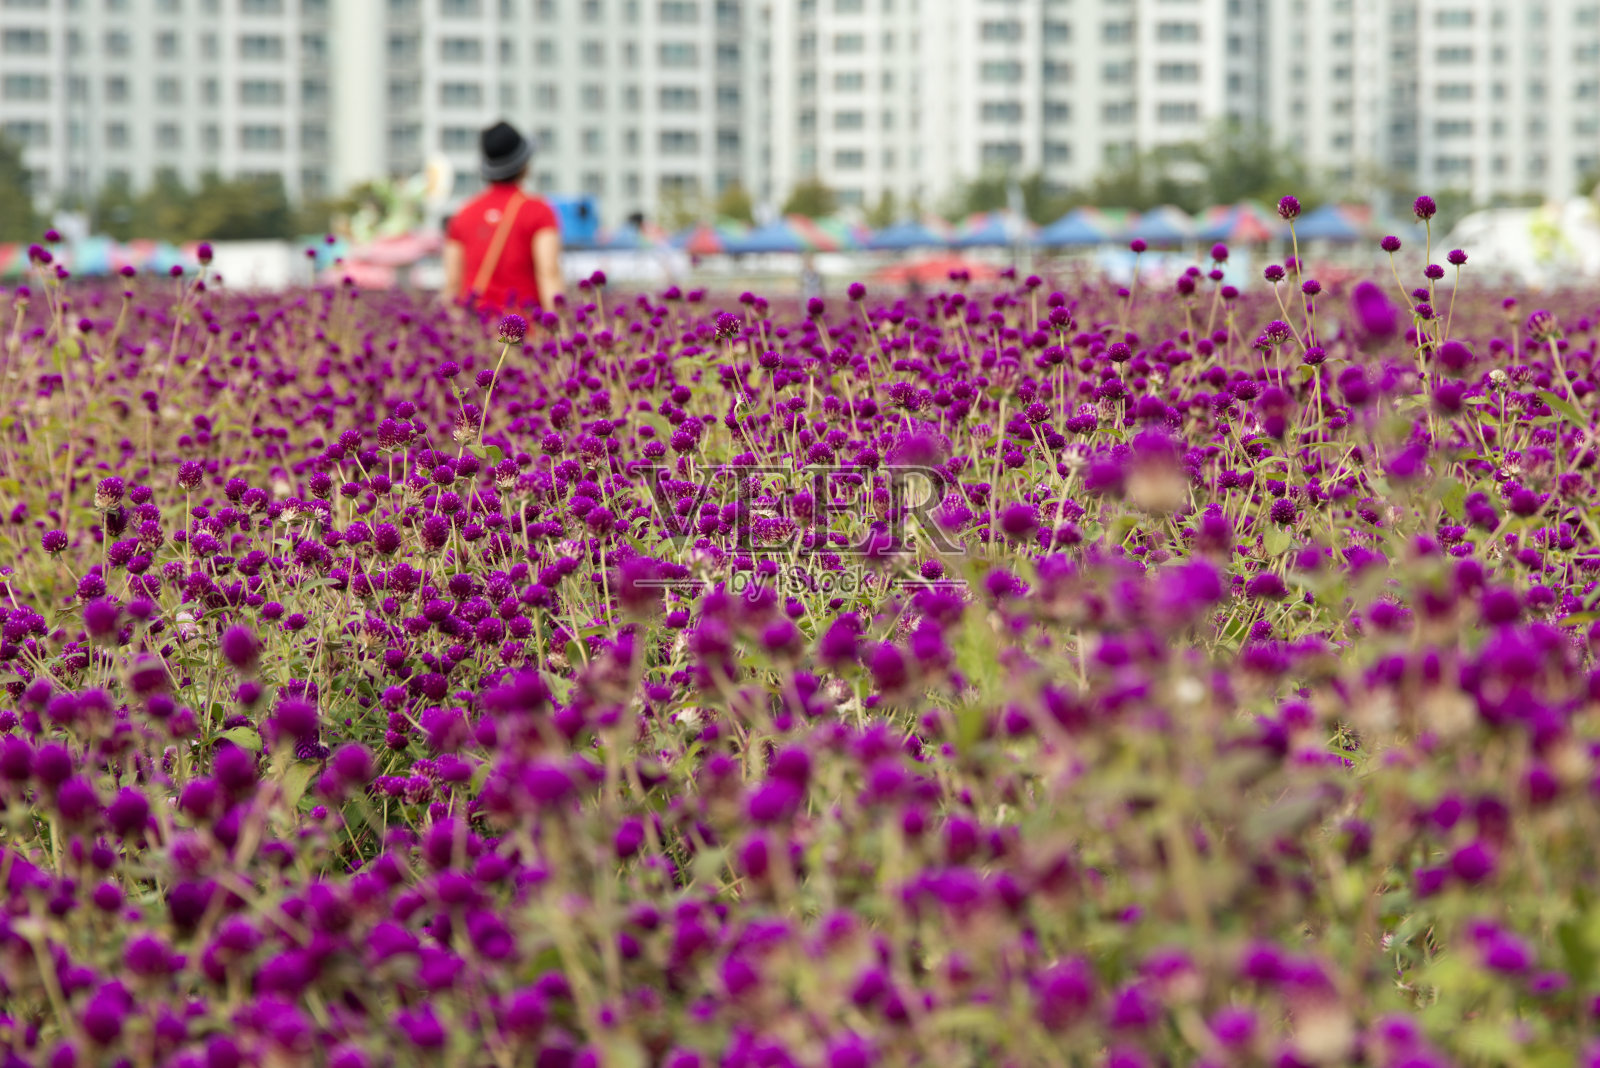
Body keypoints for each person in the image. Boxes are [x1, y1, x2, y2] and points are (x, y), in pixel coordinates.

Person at [443, 121, 564, 312]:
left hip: (478, 330)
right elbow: (548, 272)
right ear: (524, 164)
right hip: (524, 330)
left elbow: (452, 282)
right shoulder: (538, 211)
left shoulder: (463, 214)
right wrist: (560, 327)